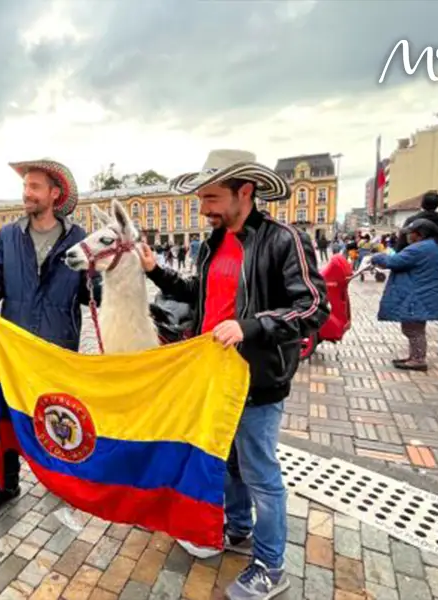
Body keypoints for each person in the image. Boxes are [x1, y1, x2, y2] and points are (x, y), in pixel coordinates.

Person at [139, 150, 328, 600]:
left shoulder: (284, 240)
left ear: (245, 191)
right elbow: (199, 294)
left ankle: (271, 566)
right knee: (229, 463)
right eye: (202, 198)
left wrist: (251, 326)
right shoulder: (213, 243)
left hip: (257, 379)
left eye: (212, 197)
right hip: (215, 376)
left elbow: (313, 307)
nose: (203, 208)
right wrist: (156, 271)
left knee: (260, 473)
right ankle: (238, 529)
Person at [0, 158, 98, 518]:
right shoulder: (8, 237)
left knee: (58, 417)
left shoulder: (78, 240)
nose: (27, 193)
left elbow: (95, 291)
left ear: (55, 194)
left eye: (35, 187)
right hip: (15, 351)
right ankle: (6, 483)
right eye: (25, 186)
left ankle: (61, 480)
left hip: (58, 348)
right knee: (9, 416)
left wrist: (112, 273)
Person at [372, 219, 438, 371]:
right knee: (415, 328)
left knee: (413, 329)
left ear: (420, 234)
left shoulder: (420, 248)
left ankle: (418, 360)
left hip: (417, 294)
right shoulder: (431, 246)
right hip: (422, 292)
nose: (408, 236)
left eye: (410, 233)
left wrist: (378, 257)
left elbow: (394, 261)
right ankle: (414, 357)